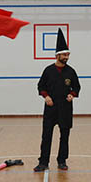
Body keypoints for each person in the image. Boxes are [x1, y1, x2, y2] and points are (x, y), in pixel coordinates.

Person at [35, 29, 80, 172]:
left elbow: (77, 87)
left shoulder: (71, 71)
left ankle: (62, 161)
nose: (67, 57)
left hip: (65, 108)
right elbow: (40, 86)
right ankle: (43, 162)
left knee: (64, 136)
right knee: (46, 136)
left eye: (68, 54)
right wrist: (46, 96)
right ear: (57, 55)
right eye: (64, 54)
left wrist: (72, 94)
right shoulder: (48, 70)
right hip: (50, 108)